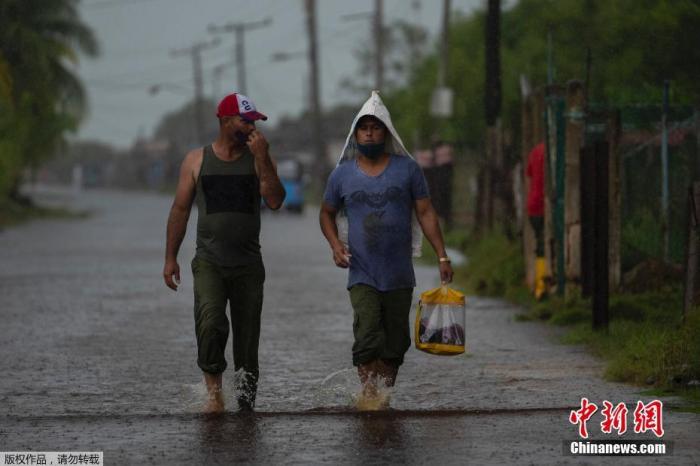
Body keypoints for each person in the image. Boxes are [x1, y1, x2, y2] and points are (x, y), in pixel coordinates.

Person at [319, 91, 453, 408]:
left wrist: (442, 255)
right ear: (355, 133)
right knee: (367, 334)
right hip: (361, 270)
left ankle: (385, 395)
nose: (369, 132)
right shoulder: (342, 174)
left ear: (386, 132)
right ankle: (369, 394)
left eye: (375, 127)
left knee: (396, 341)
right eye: (363, 127)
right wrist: (336, 245)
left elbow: (426, 212)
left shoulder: (408, 170)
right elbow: (326, 213)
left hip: (399, 273)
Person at [163, 92, 285, 413]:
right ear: (225, 121)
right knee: (211, 322)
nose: (251, 127)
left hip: (248, 265)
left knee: (247, 342)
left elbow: (275, 200)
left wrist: (263, 158)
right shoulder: (196, 160)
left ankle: (246, 408)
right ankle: (214, 397)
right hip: (209, 263)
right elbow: (179, 210)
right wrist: (170, 258)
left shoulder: (258, 157)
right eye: (246, 120)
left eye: (254, 122)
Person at [525, 140, 546, 300]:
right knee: (545, 245)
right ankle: (542, 284)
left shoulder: (535, 150)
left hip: (533, 205)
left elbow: (529, 174)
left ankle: (539, 285)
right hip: (544, 204)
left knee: (540, 245)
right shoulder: (554, 150)